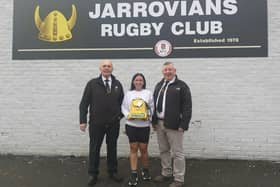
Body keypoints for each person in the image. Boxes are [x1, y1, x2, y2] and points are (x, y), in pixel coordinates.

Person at [79, 60, 124, 186]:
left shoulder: (117, 84)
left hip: (113, 124)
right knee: (94, 149)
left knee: (112, 148)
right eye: (104, 66)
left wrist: (119, 116)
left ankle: (112, 171)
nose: (106, 68)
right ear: (100, 68)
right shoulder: (92, 84)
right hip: (96, 124)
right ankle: (93, 174)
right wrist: (82, 121)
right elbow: (84, 104)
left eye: (109, 66)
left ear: (112, 69)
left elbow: (122, 103)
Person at [152, 62, 192, 187]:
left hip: (175, 125)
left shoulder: (182, 86)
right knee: (163, 150)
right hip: (159, 123)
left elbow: (187, 107)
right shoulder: (159, 85)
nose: (167, 72)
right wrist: (154, 121)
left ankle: (179, 179)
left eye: (170, 69)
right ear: (162, 71)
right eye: (165, 70)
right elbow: (154, 103)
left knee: (177, 153)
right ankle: (166, 173)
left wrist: (183, 124)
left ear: (174, 71)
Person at [121, 73, 154, 186]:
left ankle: (145, 170)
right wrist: (128, 115)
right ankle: (134, 173)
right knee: (133, 148)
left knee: (144, 149)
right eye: (136, 80)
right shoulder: (129, 94)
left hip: (144, 126)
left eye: (140, 80)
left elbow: (152, 107)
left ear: (143, 82)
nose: (138, 82)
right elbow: (124, 107)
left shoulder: (148, 93)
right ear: (133, 82)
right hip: (131, 125)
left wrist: (148, 116)